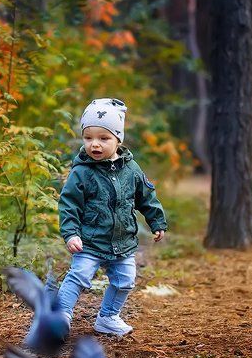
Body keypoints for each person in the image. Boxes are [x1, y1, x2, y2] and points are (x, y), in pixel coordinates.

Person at [56, 98, 168, 336]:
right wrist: (71, 233)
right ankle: (60, 314)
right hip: (90, 241)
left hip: (122, 242)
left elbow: (146, 197)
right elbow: (69, 204)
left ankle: (108, 317)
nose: (95, 144)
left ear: (119, 139)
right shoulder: (82, 172)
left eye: (103, 138)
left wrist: (156, 221)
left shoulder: (132, 169)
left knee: (125, 280)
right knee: (79, 276)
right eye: (89, 138)